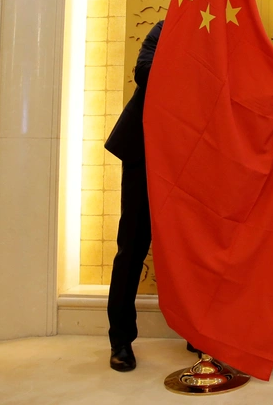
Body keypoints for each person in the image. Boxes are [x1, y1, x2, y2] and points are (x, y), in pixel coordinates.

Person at [104, 20, 200, 371]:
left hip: (190, 157)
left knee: (191, 247)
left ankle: (197, 330)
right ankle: (121, 341)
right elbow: (144, 72)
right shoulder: (167, 28)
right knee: (131, 247)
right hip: (145, 152)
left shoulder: (224, 35)